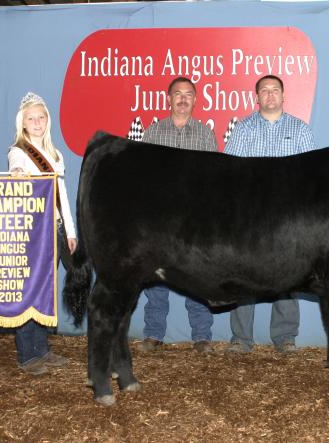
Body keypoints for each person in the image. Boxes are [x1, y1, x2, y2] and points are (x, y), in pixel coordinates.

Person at [224, 75, 316, 354]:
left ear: (283, 95)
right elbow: (229, 172)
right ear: (257, 97)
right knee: (242, 273)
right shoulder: (243, 129)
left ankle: (285, 336)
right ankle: (241, 338)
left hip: (288, 216)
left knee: (288, 274)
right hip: (249, 215)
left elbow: (311, 177)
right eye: (264, 90)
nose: (270, 95)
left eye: (275, 90)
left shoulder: (300, 130)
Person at [137, 77, 217, 354]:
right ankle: (154, 333)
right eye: (177, 94)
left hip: (194, 220)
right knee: (156, 277)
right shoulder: (153, 133)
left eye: (188, 95)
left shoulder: (205, 135)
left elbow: (211, 181)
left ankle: (202, 336)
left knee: (197, 276)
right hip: (160, 219)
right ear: (168, 99)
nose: (183, 99)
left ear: (195, 100)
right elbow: (144, 178)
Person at [8, 91, 77, 375]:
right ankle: (27, 354)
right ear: (22, 124)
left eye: (41, 117)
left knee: (45, 289)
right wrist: (17, 174)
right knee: (30, 289)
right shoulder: (19, 151)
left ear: (47, 120)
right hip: (33, 231)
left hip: (56, 227)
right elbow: (15, 171)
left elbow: (61, 195)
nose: (37, 122)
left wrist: (70, 231)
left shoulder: (55, 153)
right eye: (31, 118)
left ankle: (42, 349)